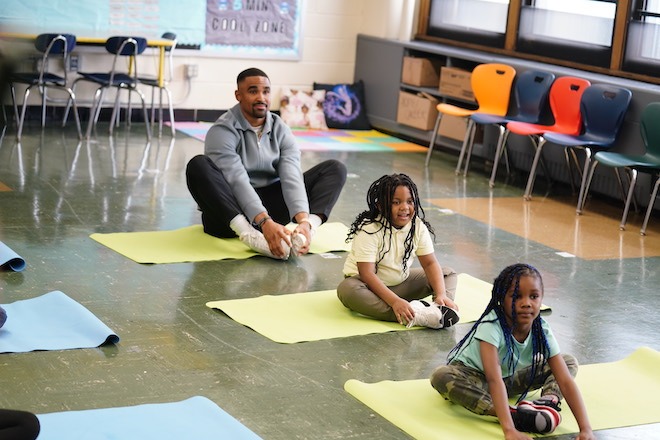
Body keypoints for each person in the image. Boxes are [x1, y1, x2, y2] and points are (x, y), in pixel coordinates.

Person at [186, 67, 347, 260]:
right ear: (239, 95)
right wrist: (263, 222)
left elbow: (291, 175)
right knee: (198, 165)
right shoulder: (222, 130)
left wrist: (303, 219)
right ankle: (249, 235)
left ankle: (307, 230)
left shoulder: (281, 128)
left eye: (266, 91)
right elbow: (237, 179)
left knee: (334, 168)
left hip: (272, 210)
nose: (261, 97)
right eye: (253, 91)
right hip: (229, 217)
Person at [430, 263, 595, 440]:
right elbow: (493, 379)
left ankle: (548, 403)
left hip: (508, 379)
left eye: (534, 296)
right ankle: (515, 415)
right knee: (441, 375)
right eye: (516, 297)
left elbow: (565, 381)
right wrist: (509, 429)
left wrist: (586, 429)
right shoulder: (491, 325)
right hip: (475, 379)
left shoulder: (541, 329)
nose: (526, 303)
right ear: (502, 299)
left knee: (568, 361)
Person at [337, 173, 460, 329]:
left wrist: (441, 294)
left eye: (410, 201)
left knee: (447, 274)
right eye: (396, 202)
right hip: (367, 286)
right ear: (381, 206)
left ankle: (440, 310)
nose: (404, 207)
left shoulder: (417, 226)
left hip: (400, 284)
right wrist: (395, 301)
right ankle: (418, 315)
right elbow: (367, 274)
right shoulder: (369, 229)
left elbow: (429, 264)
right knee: (346, 290)